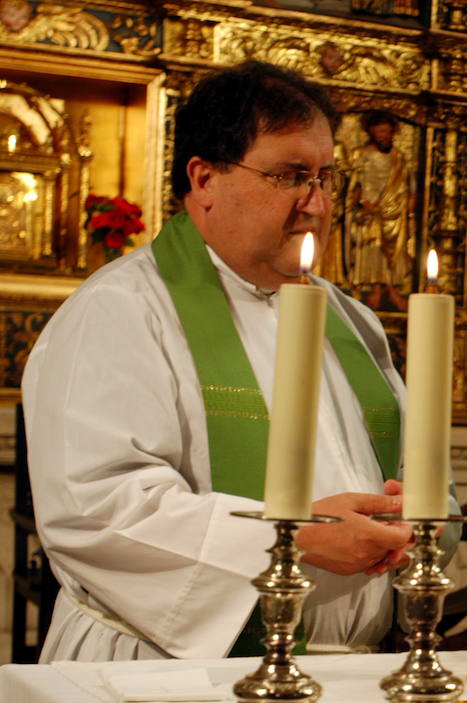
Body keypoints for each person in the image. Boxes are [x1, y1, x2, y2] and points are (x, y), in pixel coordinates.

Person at [22, 61, 420, 661]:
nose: (317, 203)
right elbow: (96, 512)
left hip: (351, 675)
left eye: (326, 177)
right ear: (204, 178)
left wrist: (410, 515)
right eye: (291, 175)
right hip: (165, 672)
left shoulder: (349, 319)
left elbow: (410, 468)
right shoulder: (120, 311)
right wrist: (288, 538)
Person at [347, 110, 412, 298]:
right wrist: (361, 202)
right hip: (368, 208)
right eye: (381, 132)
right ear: (372, 132)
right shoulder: (360, 155)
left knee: (394, 250)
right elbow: (353, 184)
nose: (385, 136)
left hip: (393, 211)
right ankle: (373, 287)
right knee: (372, 246)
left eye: (389, 132)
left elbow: (406, 184)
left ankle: (391, 287)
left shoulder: (398, 157)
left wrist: (406, 202)